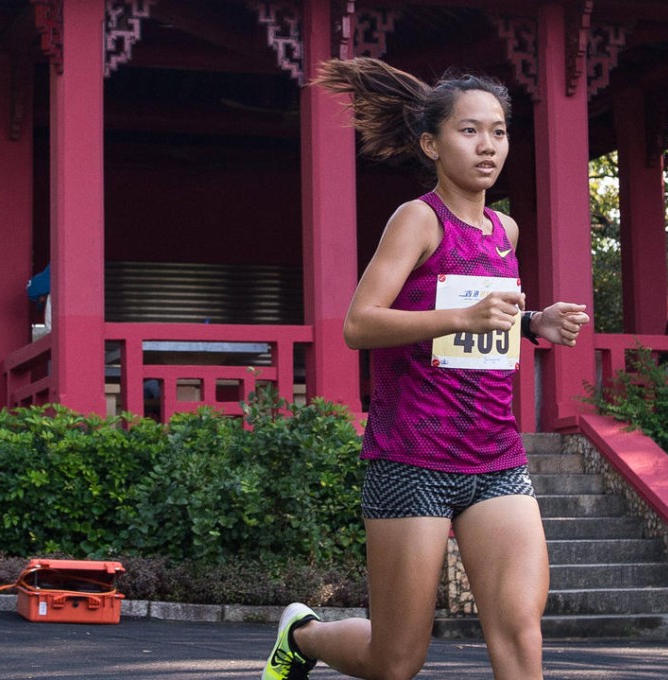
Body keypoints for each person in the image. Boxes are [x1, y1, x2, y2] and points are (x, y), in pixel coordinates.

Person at [261, 57, 590, 680]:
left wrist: (534, 322)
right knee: (396, 660)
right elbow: (360, 324)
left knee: (520, 629)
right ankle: (301, 637)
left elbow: (478, 316)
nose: (487, 145)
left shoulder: (505, 232)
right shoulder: (418, 220)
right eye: (469, 131)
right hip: (411, 455)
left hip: (495, 456)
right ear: (432, 144)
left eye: (498, 130)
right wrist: (463, 321)